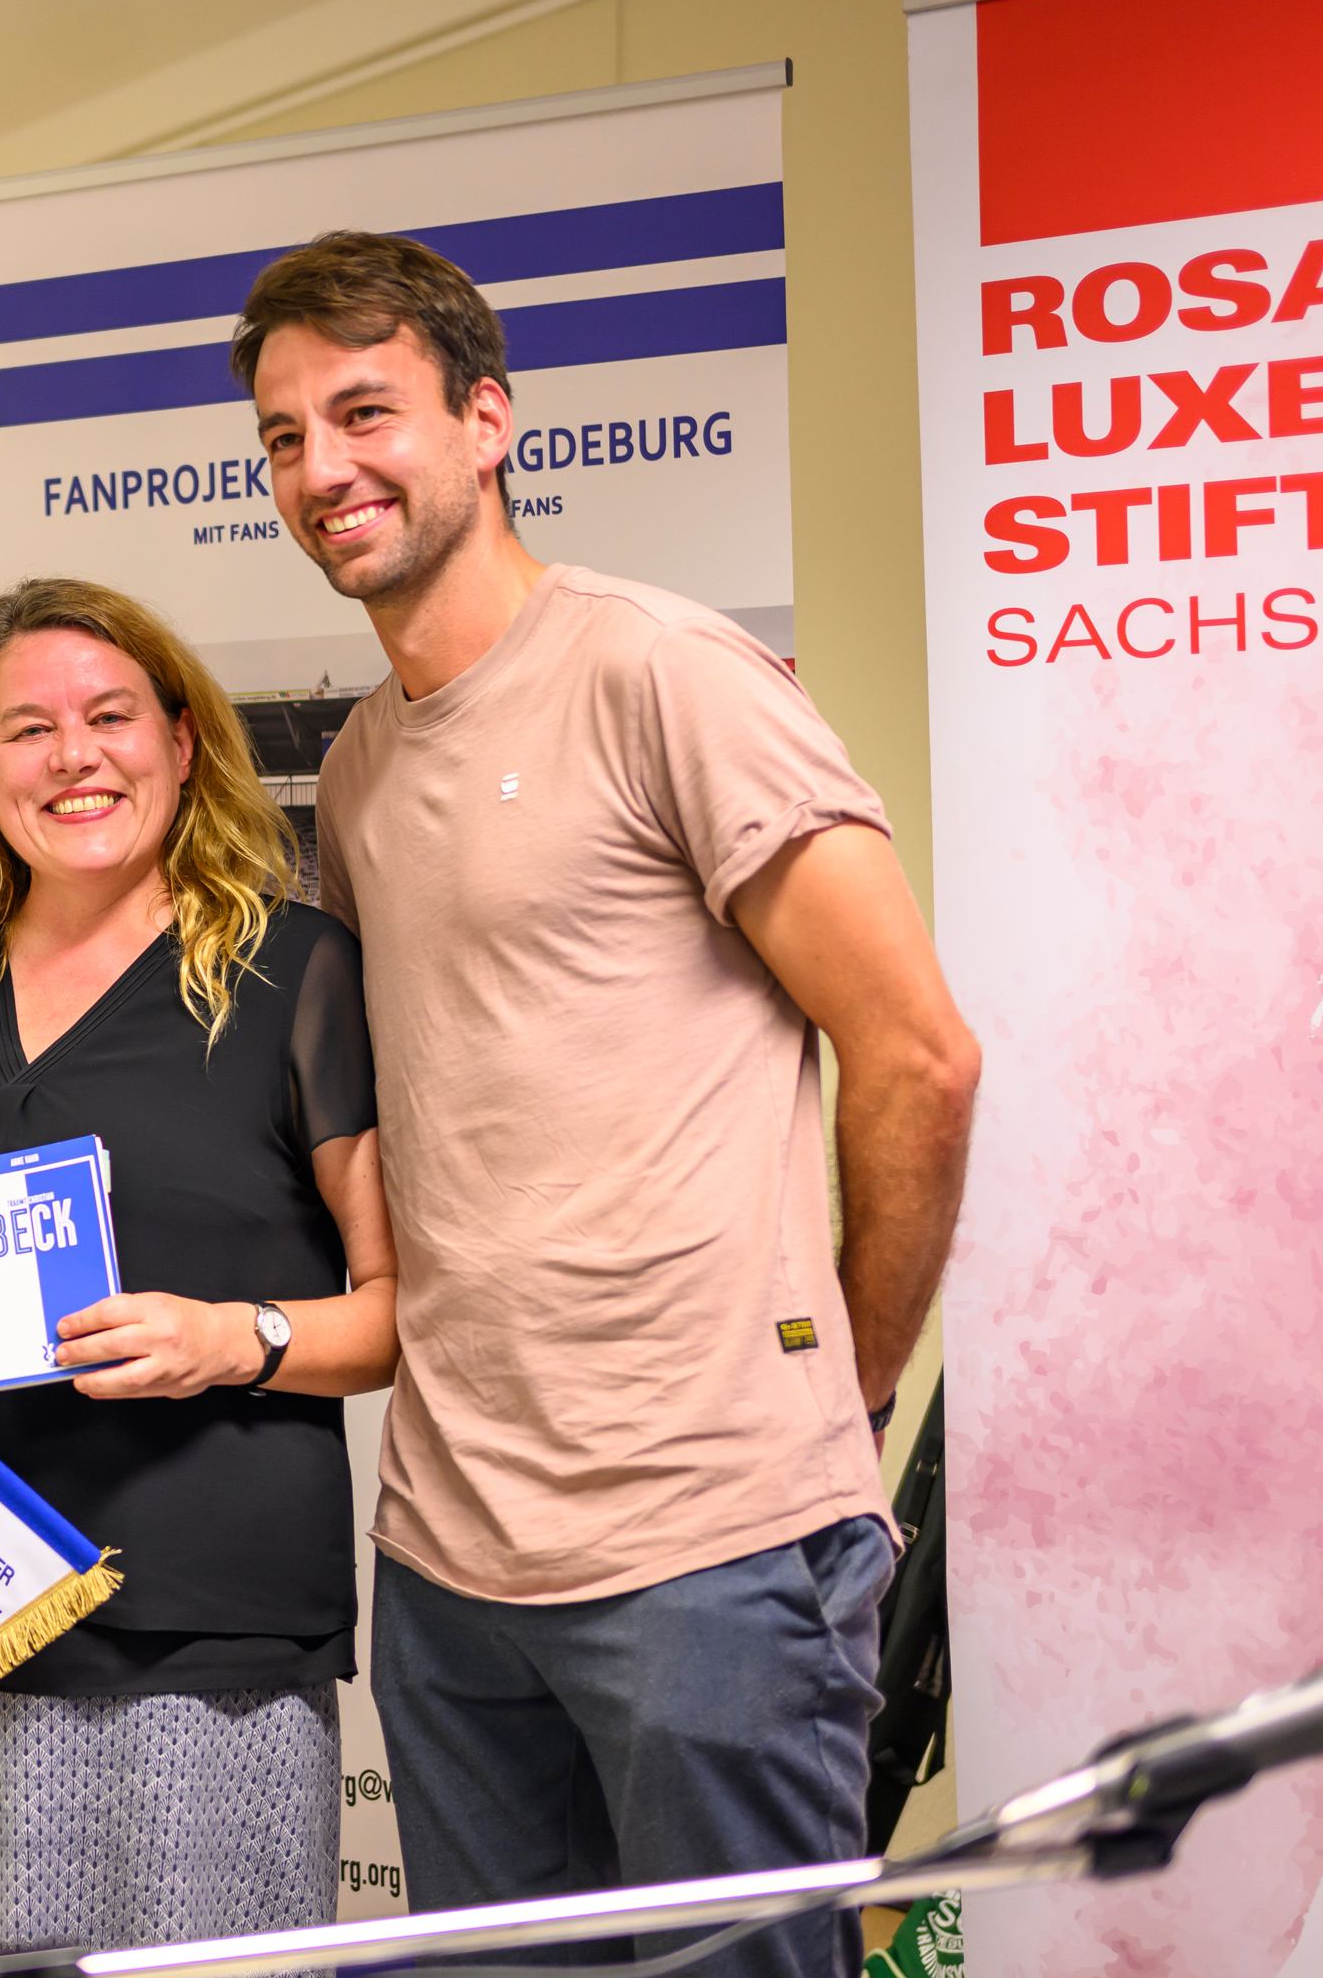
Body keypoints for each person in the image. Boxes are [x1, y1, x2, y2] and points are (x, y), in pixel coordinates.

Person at [237, 230, 984, 1975]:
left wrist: (843, 1399)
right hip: (446, 1556)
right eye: (283, 435)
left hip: (707, 1552)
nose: (323, 468)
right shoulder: (358, 766)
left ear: (487, 420)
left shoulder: (667, 674)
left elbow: (920, 1055)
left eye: (365, 412)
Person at [0, 577, 399, 1967]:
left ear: (182, 741)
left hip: (198, 1644)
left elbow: (404, 1309)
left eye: (111, 716)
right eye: (29, 729)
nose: (74, 758)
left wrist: (234, 1339)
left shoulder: (295, 975)